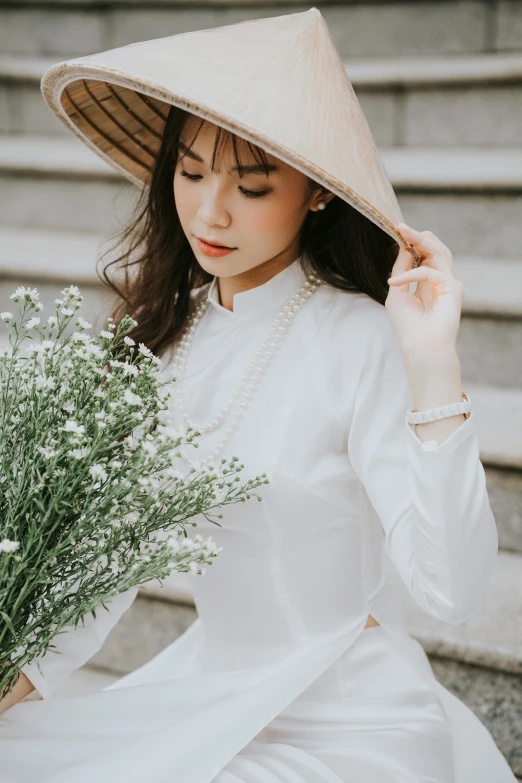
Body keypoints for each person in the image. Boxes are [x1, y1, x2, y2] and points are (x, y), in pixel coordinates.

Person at [0, 8, 516, 783]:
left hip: (348, 711)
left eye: (251, 183)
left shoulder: (360, 338)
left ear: (314, 193)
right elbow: (106, 571)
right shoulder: (166, 336)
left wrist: (432, 360)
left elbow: (453, 590)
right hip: (208, 691)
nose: (211, 212)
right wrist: (18, 676)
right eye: (193, 171)